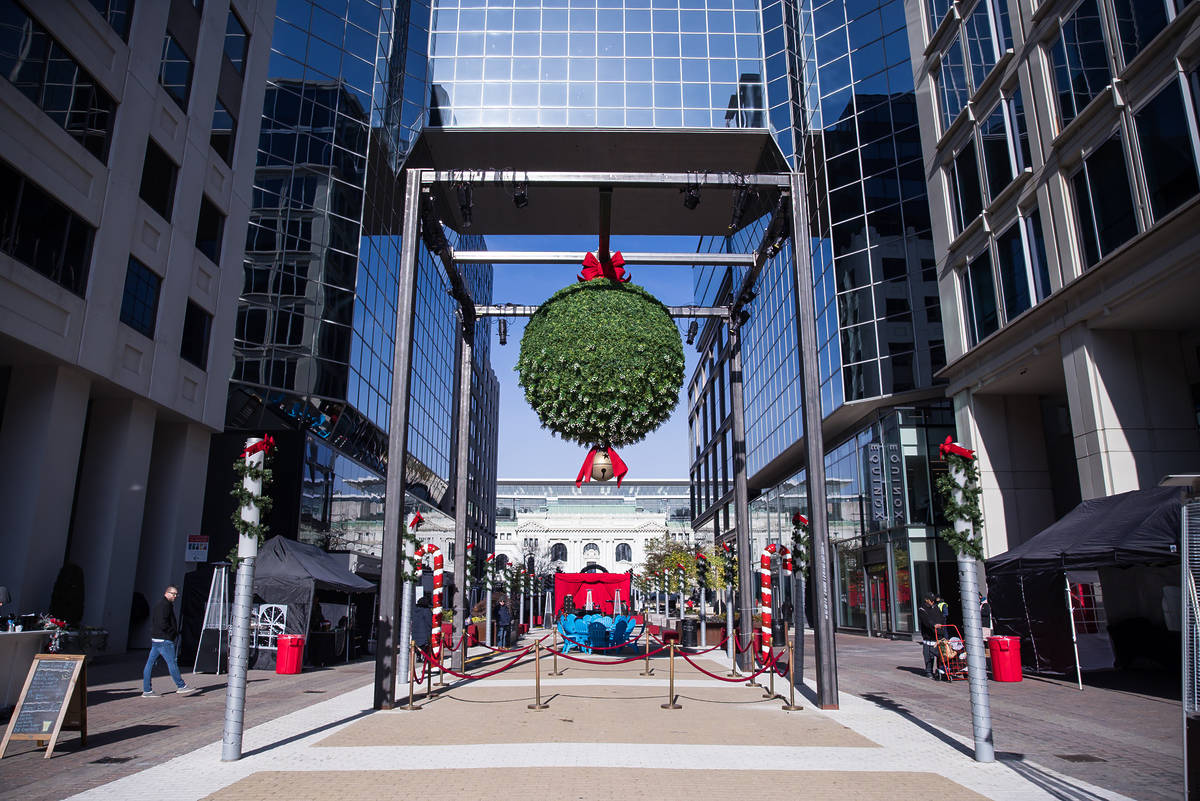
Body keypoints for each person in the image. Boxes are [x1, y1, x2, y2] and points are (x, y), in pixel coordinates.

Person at [143, 585, 198, 697]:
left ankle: (147, 690)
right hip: (164, 640)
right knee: (172, 663)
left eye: (176, 594)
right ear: (166, 593)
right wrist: (173, 632)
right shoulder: (165, 606)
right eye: (173, 594)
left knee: (150, 664)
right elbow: (163, 624)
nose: (175, 596)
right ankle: (181, 686)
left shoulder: (160, 605)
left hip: (156, 639)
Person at [918, 592, 941, 681]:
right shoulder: (922, 609)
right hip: (928, 635)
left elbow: (941, 617)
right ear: (926, 600)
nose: (932, 602)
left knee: (940, 654)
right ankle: (929, 671)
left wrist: (940, 626)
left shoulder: (936, 607)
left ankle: (940, 670)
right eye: (931, 600)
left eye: (933, 601)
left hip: (937, 634)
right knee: (928, 654)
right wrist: (933, 625)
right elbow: (926, 621)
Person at [411, 596, 433, 660]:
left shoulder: (415, 611)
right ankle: (424, 657)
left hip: (415, 631)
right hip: (425, 631)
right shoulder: (427, 611)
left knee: (417, 645)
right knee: (424, 645)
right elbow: (430, 622)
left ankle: (418, 656)